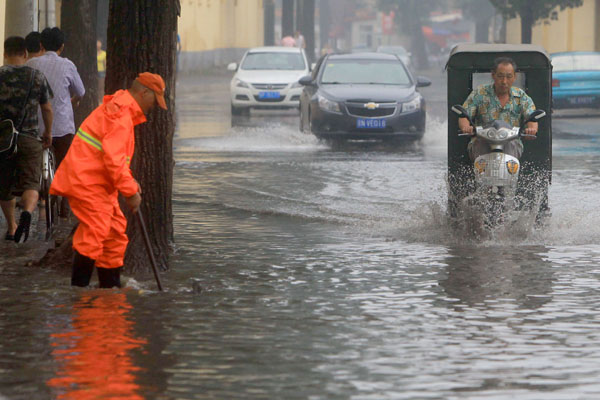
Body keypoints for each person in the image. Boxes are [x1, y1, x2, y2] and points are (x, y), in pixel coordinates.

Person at [50, 72, 167, 289]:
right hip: (86, 182)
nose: (155, 107)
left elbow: (115, 159)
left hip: (96, 182)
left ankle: (109, 291)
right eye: (155, 100)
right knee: (96, 231)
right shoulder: (121, 116)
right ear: (144, 92)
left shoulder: (120, 111)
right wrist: (130, 192)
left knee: (114, 233)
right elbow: (114, 160)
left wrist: (129, 184)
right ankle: (79, 294)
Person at [27, 27, 85, 217]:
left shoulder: (32, 63)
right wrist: (72, 101)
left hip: (35, 127)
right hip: (62, 126)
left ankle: (36, 193)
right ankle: (65, 204)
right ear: (61, 46)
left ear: (41, 45)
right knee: (66, 164)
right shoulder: (68, 65)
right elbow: (81, 92)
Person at [0, 36, 53, 243]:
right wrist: (47, 132)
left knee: (3, 185)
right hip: (30, 137)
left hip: (3, 140)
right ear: (25, 53)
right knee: (32, 182)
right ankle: (28, 212)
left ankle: (12, 227)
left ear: (5, 53)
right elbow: (47, 108)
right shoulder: (37, 77)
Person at [458, 57, 538, 161]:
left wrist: (532, 130)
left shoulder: (521, 96)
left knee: (511, 148)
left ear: (514, 77)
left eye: (509, 77)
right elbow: (464, 115)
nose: (504, 81)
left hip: (511, 144)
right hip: (483, 142)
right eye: (500, 76)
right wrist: (466, 127)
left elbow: (531, 117)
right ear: (493, 75)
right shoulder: (480, 93)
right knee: (479, 146)